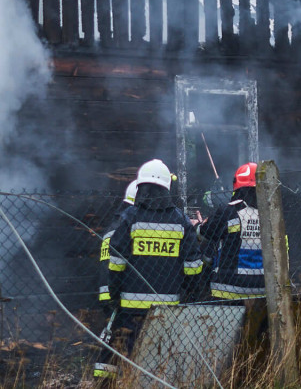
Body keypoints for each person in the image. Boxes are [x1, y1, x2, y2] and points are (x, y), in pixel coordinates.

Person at [94, 160, 205, 382]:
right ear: (166, 187)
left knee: (126, 354)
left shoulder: (130, 217)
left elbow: (116, 262)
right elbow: (193, 265)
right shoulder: (180, 220)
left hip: (130, 308)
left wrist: (115, 295)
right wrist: (191, 293)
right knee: (160, 359)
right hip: (167, 309)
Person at [198, 162, 264, 301]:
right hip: (263, 289)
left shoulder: (228, 212)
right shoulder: (271, 215)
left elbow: (203, 233)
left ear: (237, 184)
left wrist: (199, 224)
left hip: (228, 290)